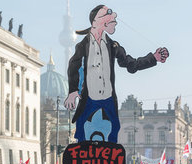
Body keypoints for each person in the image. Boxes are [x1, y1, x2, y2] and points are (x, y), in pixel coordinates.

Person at [64, 5, 168, 143]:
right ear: (96, 21)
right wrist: (72, 91)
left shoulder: (113, 46)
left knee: (114, 128)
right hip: (89, 98)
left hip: (108, 98)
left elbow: (131, 65)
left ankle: (110, 159)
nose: (114, 17)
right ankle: (82, 157)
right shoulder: (83, 45)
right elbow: (73, 65)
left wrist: (153, 58)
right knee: (82, 129)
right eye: (108, 14)